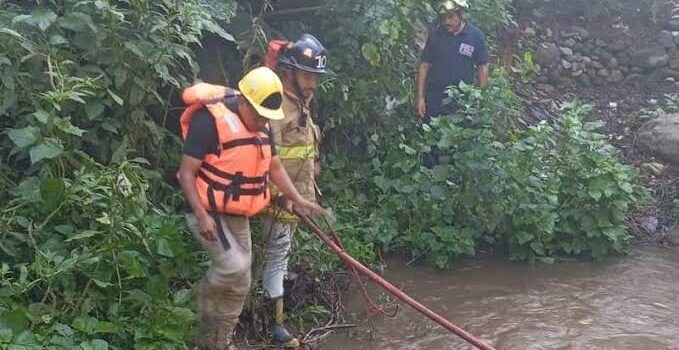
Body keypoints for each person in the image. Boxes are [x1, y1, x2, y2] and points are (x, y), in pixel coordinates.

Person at [177, 66, 325, 350]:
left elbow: (275, 166)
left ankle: (218, 343)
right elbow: (185, 174)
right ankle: (202, 300)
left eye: (267, 118)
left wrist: (298, 198)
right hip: (207, 208)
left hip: (237, 211)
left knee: (242, 281)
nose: (262, 123)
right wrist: (201, 215)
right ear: (244, 101)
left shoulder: (264, 122)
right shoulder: (209, 122)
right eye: (258, 116)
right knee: (235, 266)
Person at [259, 33, 329, 349]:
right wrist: (284, 195)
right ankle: (273, 326)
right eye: (307, 75)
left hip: (297, 198)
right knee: (274, 256)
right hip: (274, 200)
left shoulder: (301, 102)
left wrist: (312, 173)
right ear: (288, 72)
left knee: (279, 256)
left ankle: (272, 310)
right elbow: (263, 158)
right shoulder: (274, 106)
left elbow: (303, 147)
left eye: (316, 76)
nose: (313, 82)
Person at [416, 0, 490, 119]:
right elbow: (424, 65)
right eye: (443, 18)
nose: (447, 22)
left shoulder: (475, 36)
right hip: (435, 99)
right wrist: (420, 98)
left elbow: (483, 67)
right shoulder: (435, 35)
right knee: (431, 134)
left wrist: (481, 98)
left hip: (462, 101)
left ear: (461, 15)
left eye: (451, 17)